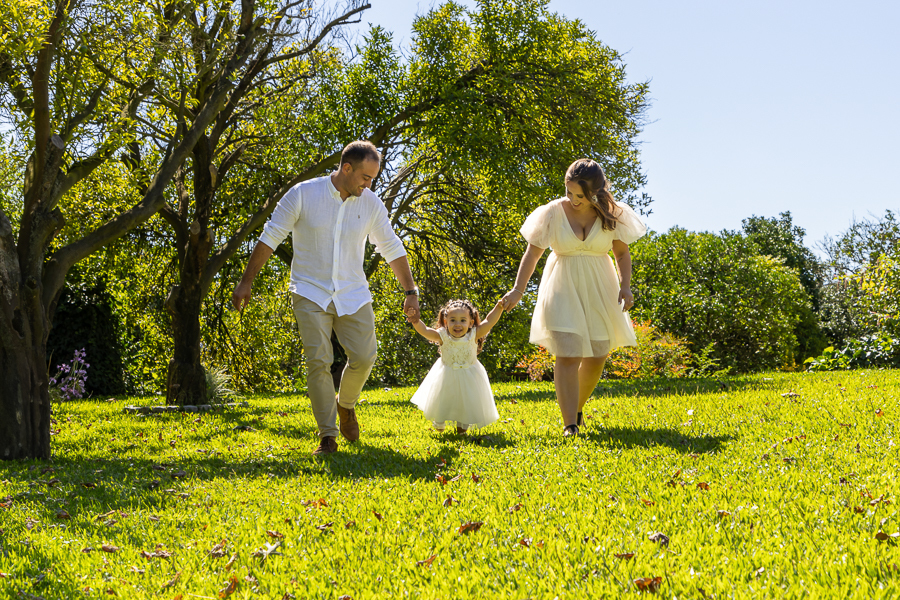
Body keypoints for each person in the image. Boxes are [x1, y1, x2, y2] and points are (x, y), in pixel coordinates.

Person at [232, 141, 420, 455]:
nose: (369, 184)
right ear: (346, 168)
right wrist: (246, 281)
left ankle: (345, 404)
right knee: (318, 361)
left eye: (373, 178)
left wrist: (410, 292)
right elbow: (271, 235)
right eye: (365, 177)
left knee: (365, 357)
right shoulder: (303, 194)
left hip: (352, 292)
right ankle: (328, 436)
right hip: (309, 290)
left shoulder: (371, 204)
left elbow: (391, 246)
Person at [501, 158, 647, 436]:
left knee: (598, 354)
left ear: (596, 192)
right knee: (568, 353)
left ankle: (576, 408)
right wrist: (518, 290)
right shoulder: (552, 213)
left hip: (600, 287)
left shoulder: (611, 214)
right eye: (569, 192)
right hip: (562, 286)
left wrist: (626, 286)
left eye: (580, 196)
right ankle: (569, 424)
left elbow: (621, 253)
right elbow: (532, 253)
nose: (573, 200)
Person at [408, 298, 505, 434]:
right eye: (453, 320)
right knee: (444, 398)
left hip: (470, 376)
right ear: (446, 322)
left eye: (463, 320)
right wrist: (415, 321)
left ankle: (462, 429)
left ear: (471, 323)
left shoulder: (474, 334)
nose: (457, 324)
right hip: (446, 375)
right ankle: (440, 420)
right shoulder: (443, 336)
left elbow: (489, 321)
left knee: (466, 403)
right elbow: (425, 331)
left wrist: (499, 307)